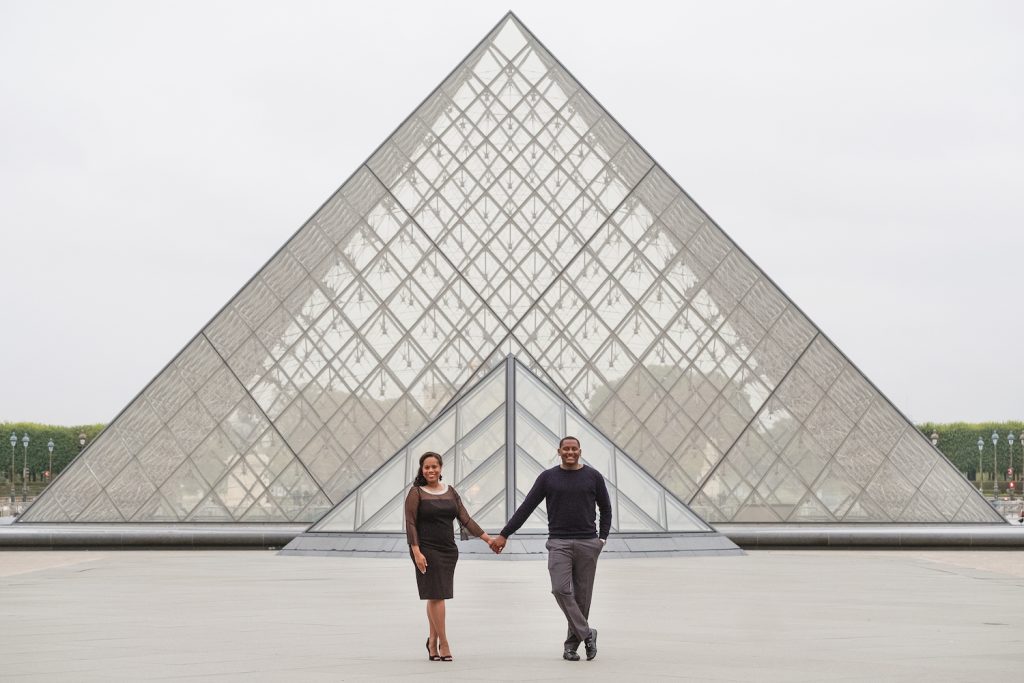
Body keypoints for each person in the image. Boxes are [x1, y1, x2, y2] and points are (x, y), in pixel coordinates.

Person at [490, 436, 612, 661]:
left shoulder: (593, 477)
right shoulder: (548, 478)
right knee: (560, 589)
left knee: (583, 599)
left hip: (588, 543)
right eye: (566, 449)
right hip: (559, 543)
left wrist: (601, 539)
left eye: (574, 449)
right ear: (559, 451)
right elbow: (526, 508)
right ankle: (587, 634)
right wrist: (505, 533)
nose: (570, 452)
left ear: (580, 451)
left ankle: (570, 647)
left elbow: (606, 508)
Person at [405, 451, 492, 662]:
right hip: (426, 549)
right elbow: (410, 523)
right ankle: (444, 643)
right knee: (438, 595)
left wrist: (488, 539)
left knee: (436, 596)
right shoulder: (416, 493)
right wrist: (416, 552)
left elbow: (466, 519)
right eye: (427, 467)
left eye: (434, 466)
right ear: (422, 469)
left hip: (448, 550)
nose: (431, 470)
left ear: (441, 468)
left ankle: (432, 641)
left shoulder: (450, 491)